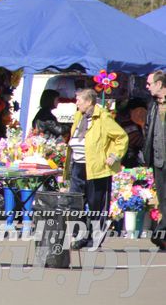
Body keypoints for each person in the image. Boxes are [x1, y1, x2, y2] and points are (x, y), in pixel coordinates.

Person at [65, 88, 127, 250]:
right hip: (78, 165)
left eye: (79, 100)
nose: (76, 102)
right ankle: (79, 236)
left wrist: (113, 156)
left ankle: (95, 238)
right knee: (76, 202)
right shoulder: (79, 116)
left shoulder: (103, 117)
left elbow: (122, 137)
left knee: (95, 205)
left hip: (96, 167)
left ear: (89, 102)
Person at [143, 70, 166, 249]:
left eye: (150, 83)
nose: (147, 86)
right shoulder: (153, 105)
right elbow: (149, 129)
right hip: (159, 159)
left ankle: (160, 233)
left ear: (160, 84)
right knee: (163, 198)